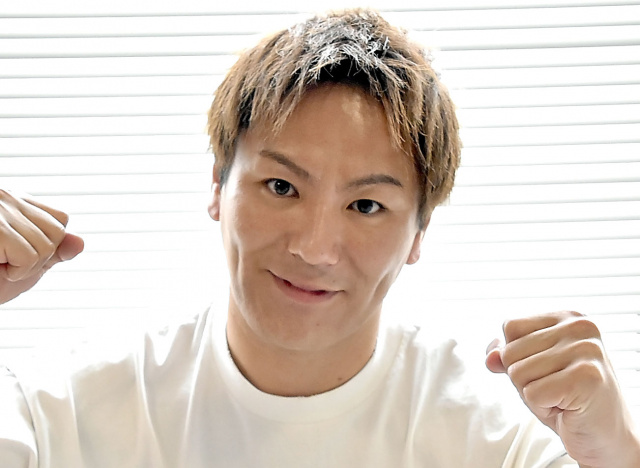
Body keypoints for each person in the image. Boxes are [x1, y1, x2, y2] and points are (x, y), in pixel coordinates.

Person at [0, 8, 638, 468]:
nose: (314, 247)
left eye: (366, 205)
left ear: (419, 232)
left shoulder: (504, 441)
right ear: (218, 185)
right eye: (281, 187)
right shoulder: (62, 413)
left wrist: (615, 452)